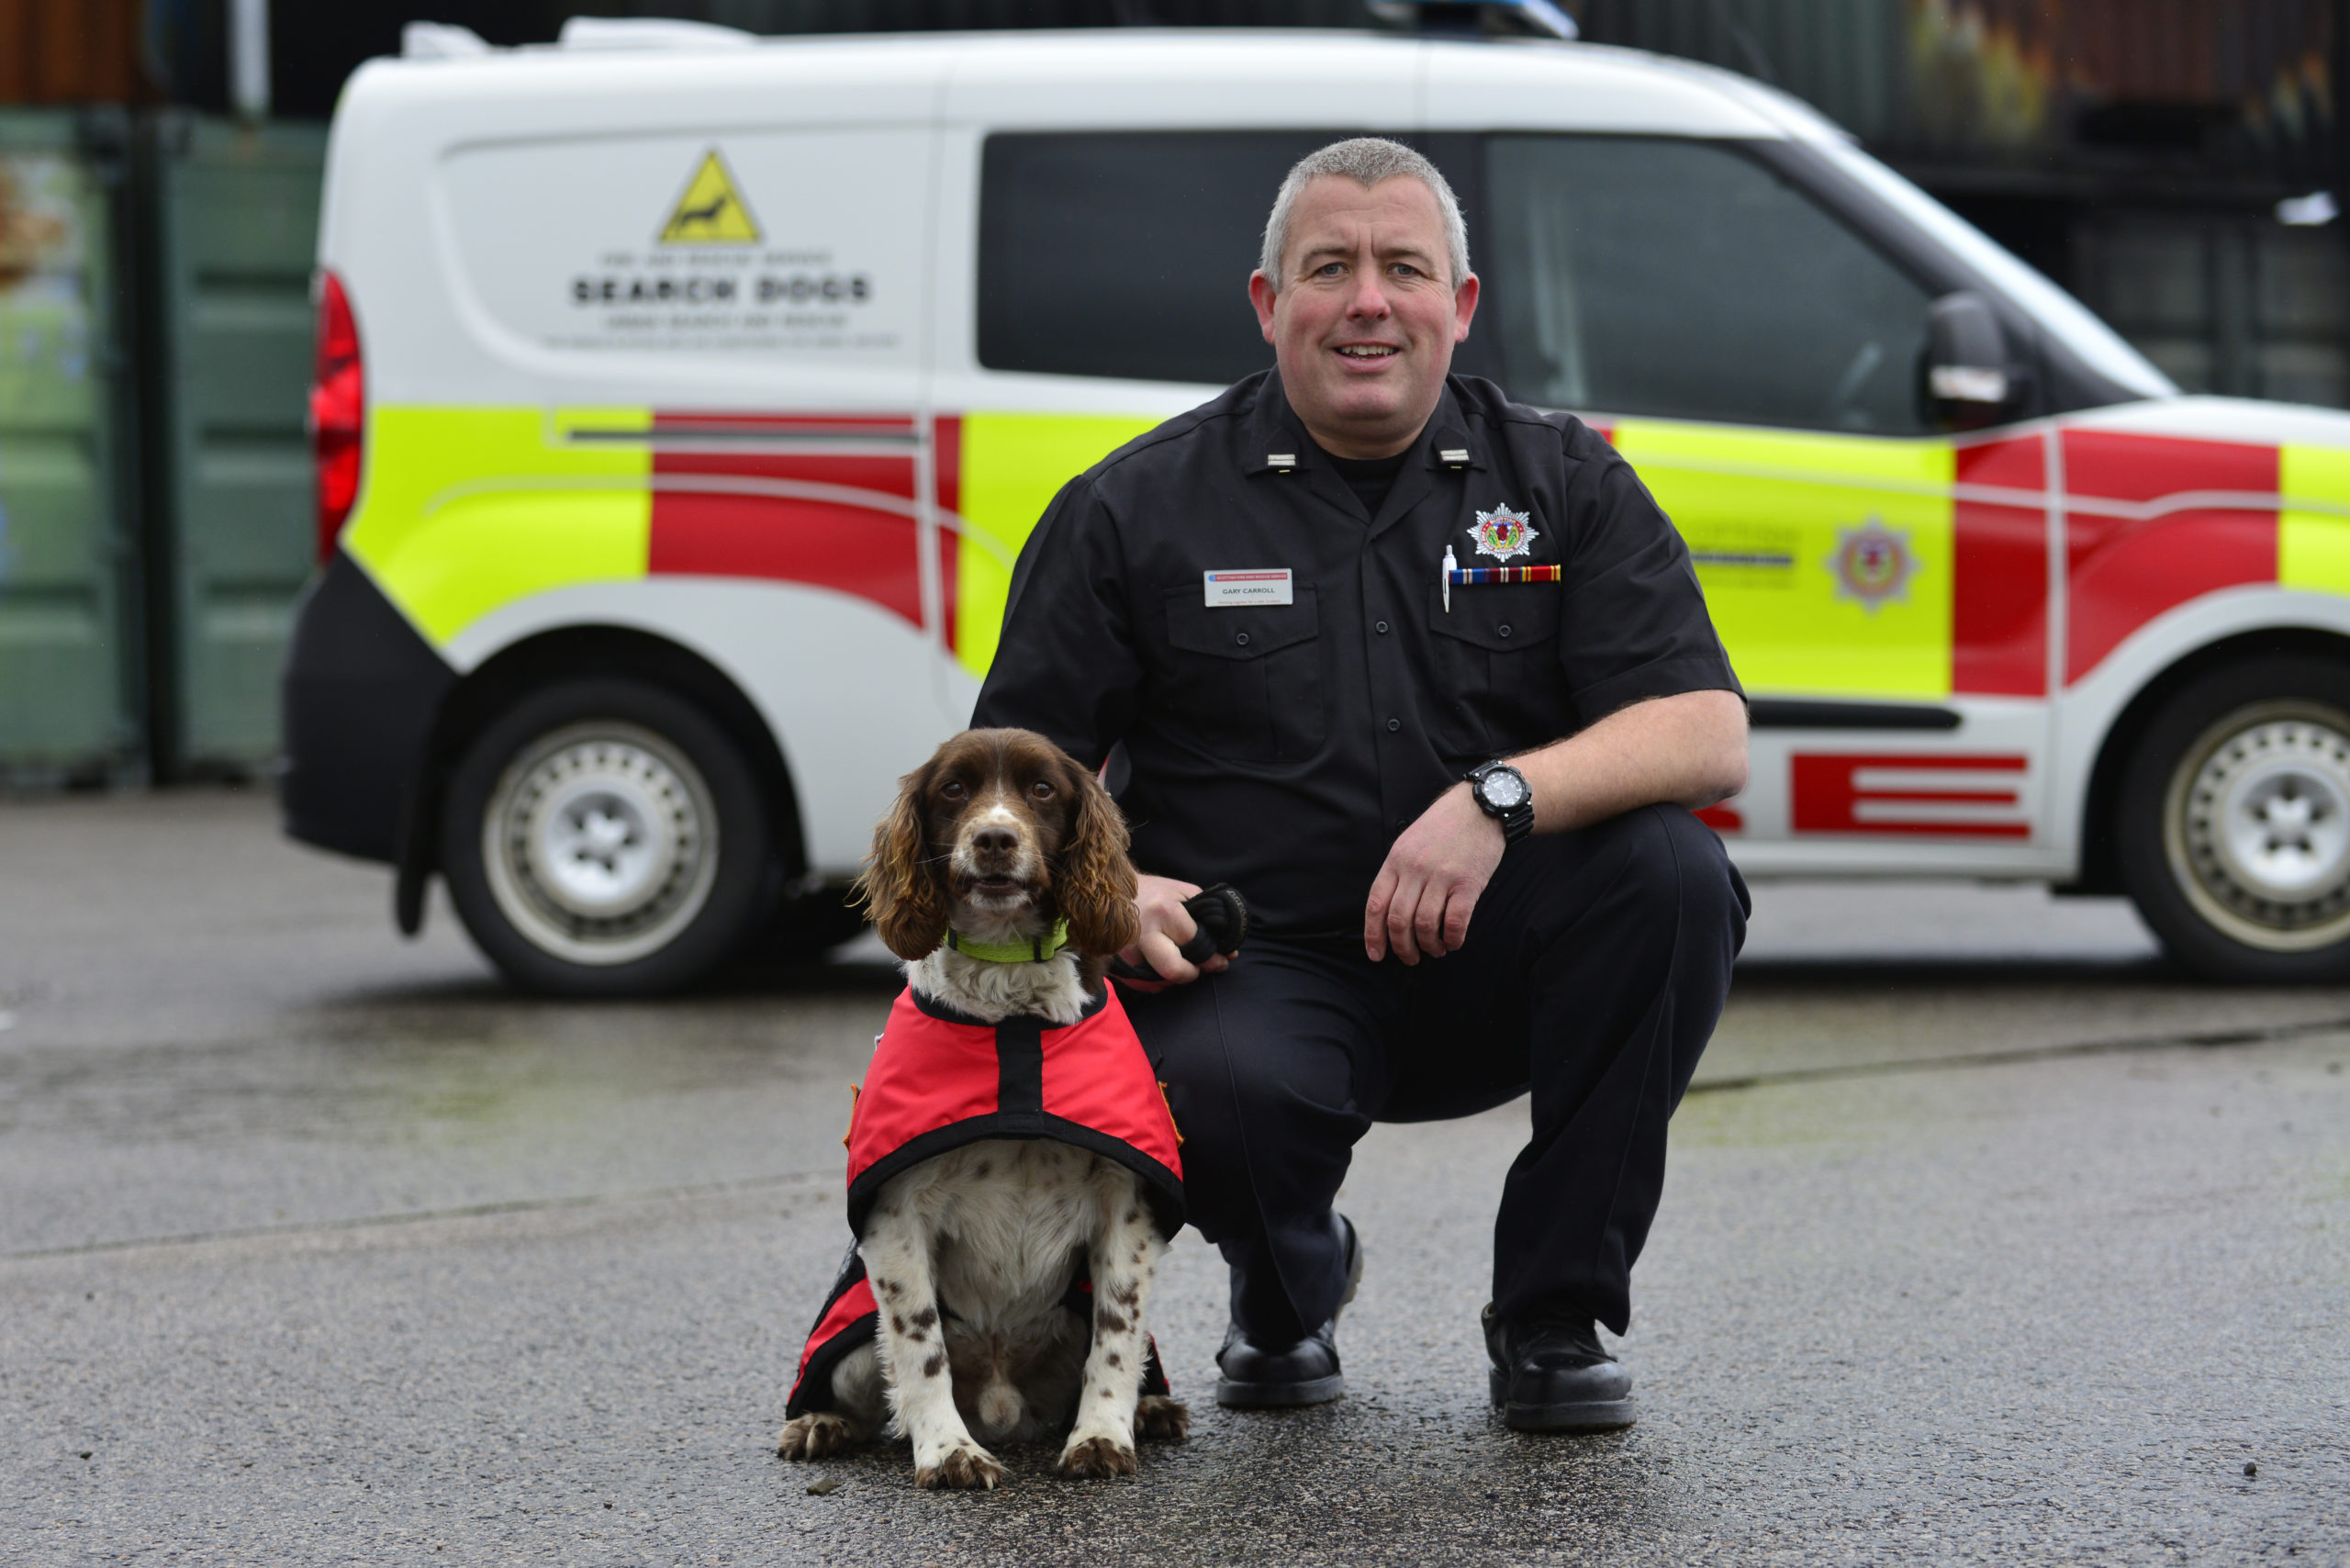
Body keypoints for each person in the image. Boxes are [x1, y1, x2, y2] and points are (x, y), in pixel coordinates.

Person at [970, 138, 1749, 1432]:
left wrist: (1496, 800)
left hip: (1497, 958)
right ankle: (1288, 1283)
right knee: (1219, 1093)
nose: (1369, 301)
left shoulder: (1562, 482)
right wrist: (1120, 891)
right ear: (1271, 304)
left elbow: (1706, 730)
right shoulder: (1133, 507)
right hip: (1254, 969)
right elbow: (1012, 780)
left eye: (1404, 268)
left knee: (1673, 879)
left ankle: (1555, 1314)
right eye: (1329, 268)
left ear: (1462, 304)